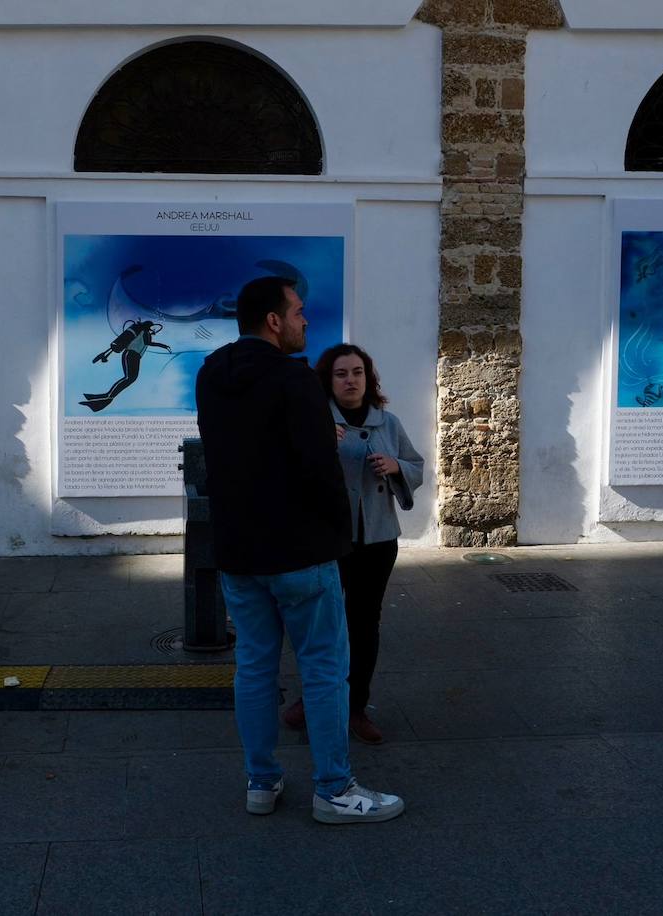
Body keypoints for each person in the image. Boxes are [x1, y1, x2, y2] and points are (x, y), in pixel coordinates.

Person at [195, 275, 404, 824]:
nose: (305, 321)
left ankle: (260, 782)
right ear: (273, 321)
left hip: (239, 553)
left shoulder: (211, 374)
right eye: (298, 312)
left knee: (255, 667)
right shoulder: (294, 380)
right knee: (323, 668)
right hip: (301, 553)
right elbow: (320, 470)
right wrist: (338, 537)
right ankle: (334, 788)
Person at [282, 343, 423, 744]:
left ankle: (356, 705)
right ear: (329, 380)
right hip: (326, 538)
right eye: (341, 373)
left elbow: (416, 465)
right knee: (321, 625)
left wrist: (397, 467)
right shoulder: (313, 421)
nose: (350, 380)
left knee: (364, 624)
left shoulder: (388, 423)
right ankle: (313, 700)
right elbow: (290, 470)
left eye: (357, 372)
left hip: (376, 539)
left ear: (368, 377)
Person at [80, 318, 171, 412]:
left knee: (131, 378)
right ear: (149, 327)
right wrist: (164, 346)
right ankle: (108, 396)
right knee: (129, 378)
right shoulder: (145, 332)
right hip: (131, 354)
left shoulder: (142, 332)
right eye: (152, 328)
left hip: (134, 356)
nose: (153, 330)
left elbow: (144, 341)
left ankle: (107, 396)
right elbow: (148, 342)